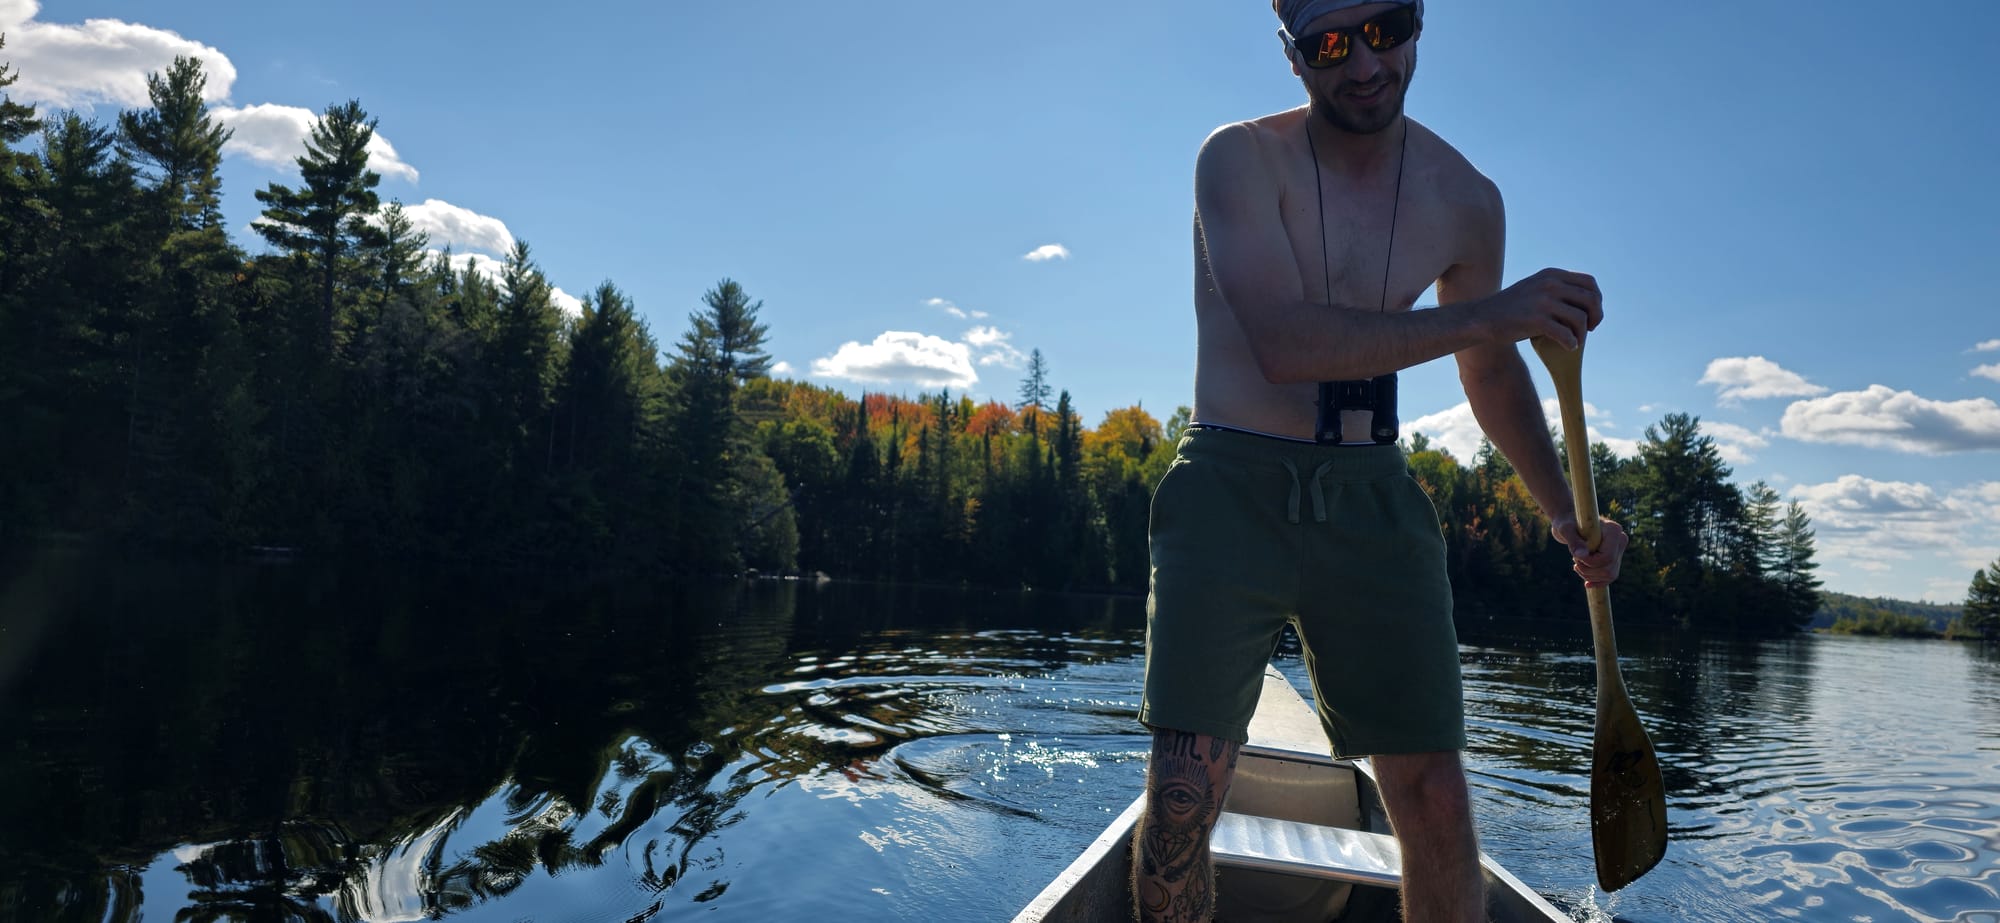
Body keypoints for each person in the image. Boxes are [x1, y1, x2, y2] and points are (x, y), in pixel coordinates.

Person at [1131, 1, 1631, 921]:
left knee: (1436, 795)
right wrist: (1490, 315)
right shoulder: (1238, 159)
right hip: (1229, 487)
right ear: (1292, 57)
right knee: (1183, 798)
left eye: (1385, 28)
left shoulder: (1466, 198)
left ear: (1418, 21)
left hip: (1374, 498)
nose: (1363, 63)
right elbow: (1284, 342)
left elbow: (1490, 370)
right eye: (1329, 43)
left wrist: (1568, 513)